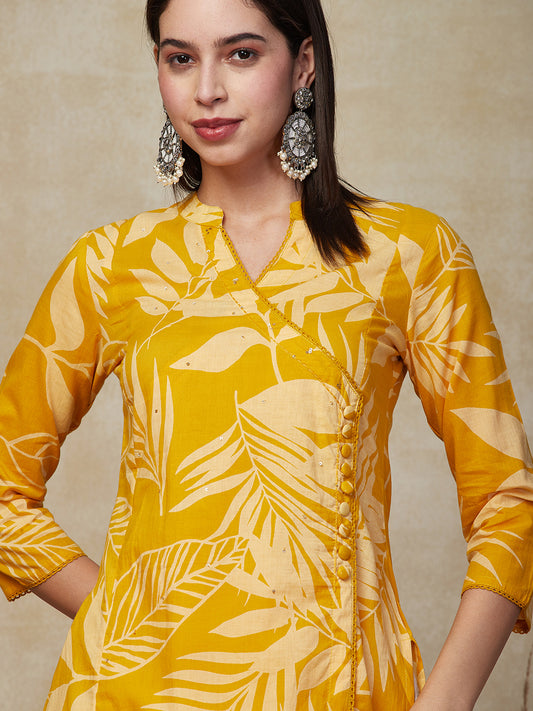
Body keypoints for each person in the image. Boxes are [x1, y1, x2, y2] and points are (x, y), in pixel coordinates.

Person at [0, 0, 531, 709]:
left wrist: (445, 701)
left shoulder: (408, 254)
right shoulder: (112, 264)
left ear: (303, 63)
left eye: (241, 54)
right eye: (180, 58)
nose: (206, 89)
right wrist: (123, 612)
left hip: (341, 689)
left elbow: (507, 501)